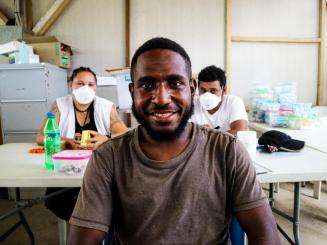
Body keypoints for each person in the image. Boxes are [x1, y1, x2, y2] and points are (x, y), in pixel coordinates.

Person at [68, 38, 280, 244]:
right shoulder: (108, 157)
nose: (161, 98)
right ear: (133, 92)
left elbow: (265, 235)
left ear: (191, 89)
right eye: (147, 85)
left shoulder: (227, 151)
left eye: (175, 83)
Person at [36, 66, 128, 221]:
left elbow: (124, 134)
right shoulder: (59, 105)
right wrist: (65, 142)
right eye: (80, 83)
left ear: (96, 87)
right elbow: (40, 138)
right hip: (68, 169)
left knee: (107, 203)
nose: (85, 88)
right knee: (69, 206)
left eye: (90, 84)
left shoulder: (106, 107)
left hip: (100, 168)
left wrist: (106, 138)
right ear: (71, 85)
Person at [191, 65, 248, 135]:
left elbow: (240, 132)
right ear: (198, 88)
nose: (207, 96)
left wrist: (209, 134)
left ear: (224, 90)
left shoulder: (233, 102)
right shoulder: (191, 104)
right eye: (203, 90)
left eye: (213, 91)